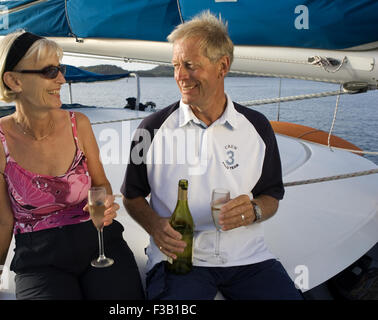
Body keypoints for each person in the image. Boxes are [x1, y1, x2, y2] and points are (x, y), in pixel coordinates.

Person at [121, 12, 303, 300]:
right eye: (175, 66)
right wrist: (154, 225)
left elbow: (271, 195)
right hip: (178, 261)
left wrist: (253, 211)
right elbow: (131, 197)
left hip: (248, 259)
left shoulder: (257, 126)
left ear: (223, 66)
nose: (180, 76)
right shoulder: (151, 128)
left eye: (190, 65)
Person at [0, 31, 144, 300]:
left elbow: (100, 185)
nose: (62, 78)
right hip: (39, 260)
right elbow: (2, 220)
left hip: (100, 243)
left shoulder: (80, 125)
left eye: (60, 69)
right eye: (50, 71)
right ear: (14, 80)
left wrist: (106, 203)